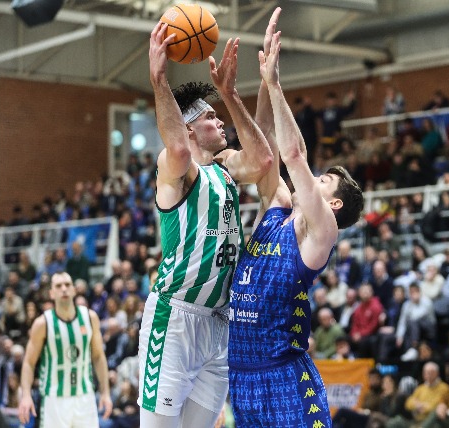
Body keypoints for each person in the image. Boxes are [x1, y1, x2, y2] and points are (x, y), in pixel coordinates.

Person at [228, 9, 363, 427]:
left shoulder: (322, 231)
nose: (314, 180)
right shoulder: (276, 209)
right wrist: (262, 80)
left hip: (287, 378)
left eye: (324, 181)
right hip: (242, 378)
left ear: (335, 204)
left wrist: (275, 82)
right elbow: (265, 148)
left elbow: (294, 155)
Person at [138, 13, 273, 428]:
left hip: (219, 324)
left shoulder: (225, 168)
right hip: (174, 318)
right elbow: (178, 150)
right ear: (190, 129)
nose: (219, 122)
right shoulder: (176, 169)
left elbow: (264, 159)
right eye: (210, 117)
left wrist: (235, 92)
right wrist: (160, 81)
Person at [18, 271, 112, 427]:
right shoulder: (42, 323)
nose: (64, 289)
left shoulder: (90, 317)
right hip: (54, 399)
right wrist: (26, 396)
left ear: (74, 290)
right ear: (51, 293)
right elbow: (28, 362)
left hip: (85, 397)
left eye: (68, 285)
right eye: (58, 286)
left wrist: (105, 393)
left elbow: (98, 356)